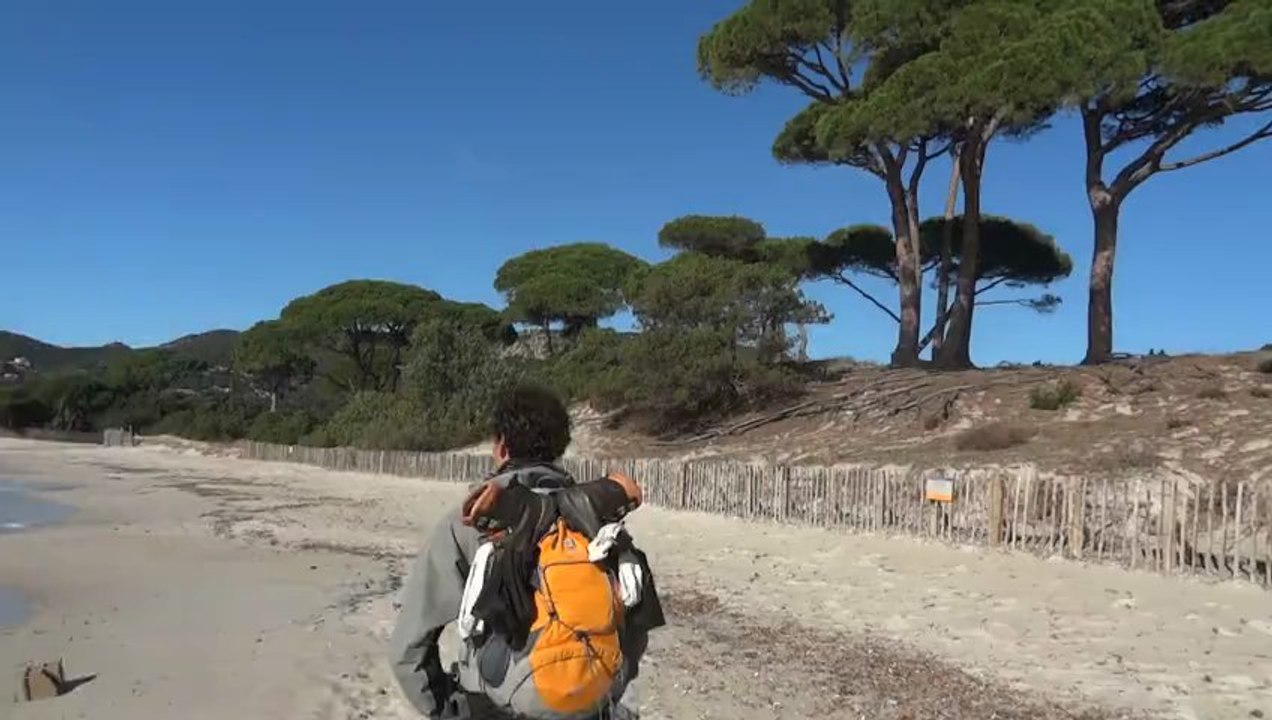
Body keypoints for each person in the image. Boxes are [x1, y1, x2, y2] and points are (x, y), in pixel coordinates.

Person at [390, 382, 663, 719]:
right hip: (589, 704)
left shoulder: (473, 520)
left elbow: (408, 650)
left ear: (502, 447)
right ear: (559, 448)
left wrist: (447, 707)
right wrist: (598, 692)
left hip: (494, 706)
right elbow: (635, 628)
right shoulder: (596, 517)